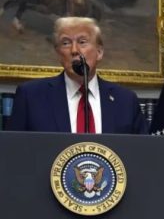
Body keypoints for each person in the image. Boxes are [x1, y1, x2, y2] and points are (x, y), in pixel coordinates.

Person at [7, 16, 147, 134]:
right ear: (58, 54)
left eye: (82, 42)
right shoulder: (31, 96)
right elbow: (13, 151)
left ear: (99, 52)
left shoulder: (125, 100)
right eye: (66, 43)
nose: (74, 50)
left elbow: (141, 152)